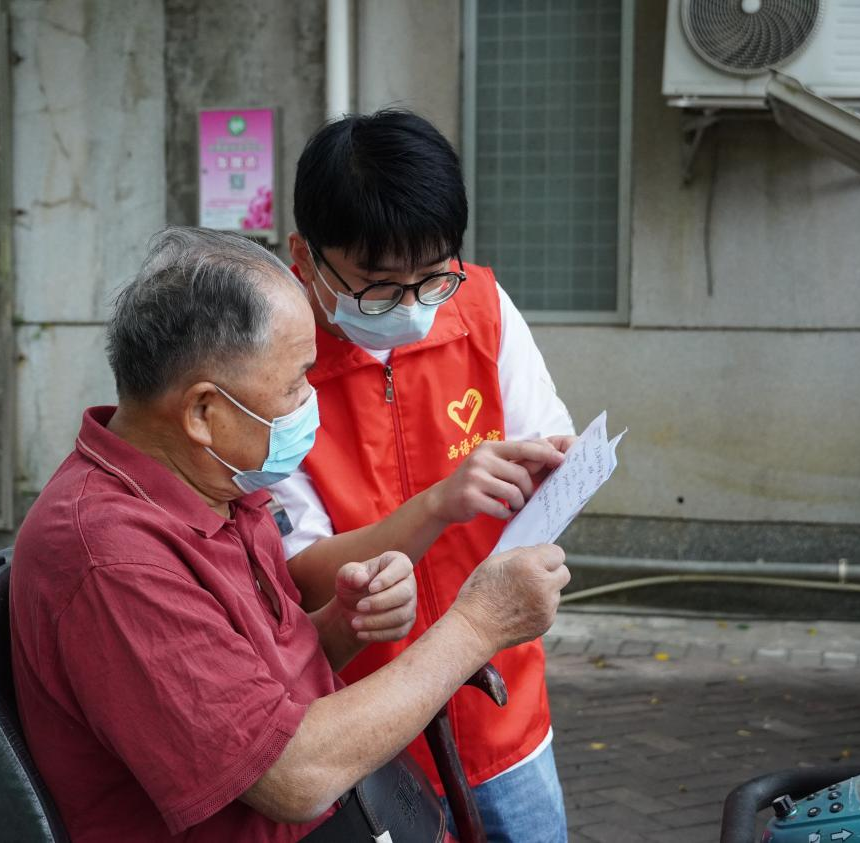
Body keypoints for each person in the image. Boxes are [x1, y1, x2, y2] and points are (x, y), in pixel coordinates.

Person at [9, 226, 570, 842]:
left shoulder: (215, 486)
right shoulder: (114, 559)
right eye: (297, 382)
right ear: (203, 411)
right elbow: (291, 775)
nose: (312, 403)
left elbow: (258, 681)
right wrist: (479, 624)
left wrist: (342, 622)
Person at [272, 109, 577, 843]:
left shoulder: (480, 305)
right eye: (377, 286)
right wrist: (438, 503)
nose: (411, 307)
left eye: (430, 276)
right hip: (366, 729)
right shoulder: (272, 359)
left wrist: (549, 483)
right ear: (305, 257)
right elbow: (305, 575)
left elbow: (550, 450)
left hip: (505, 711)